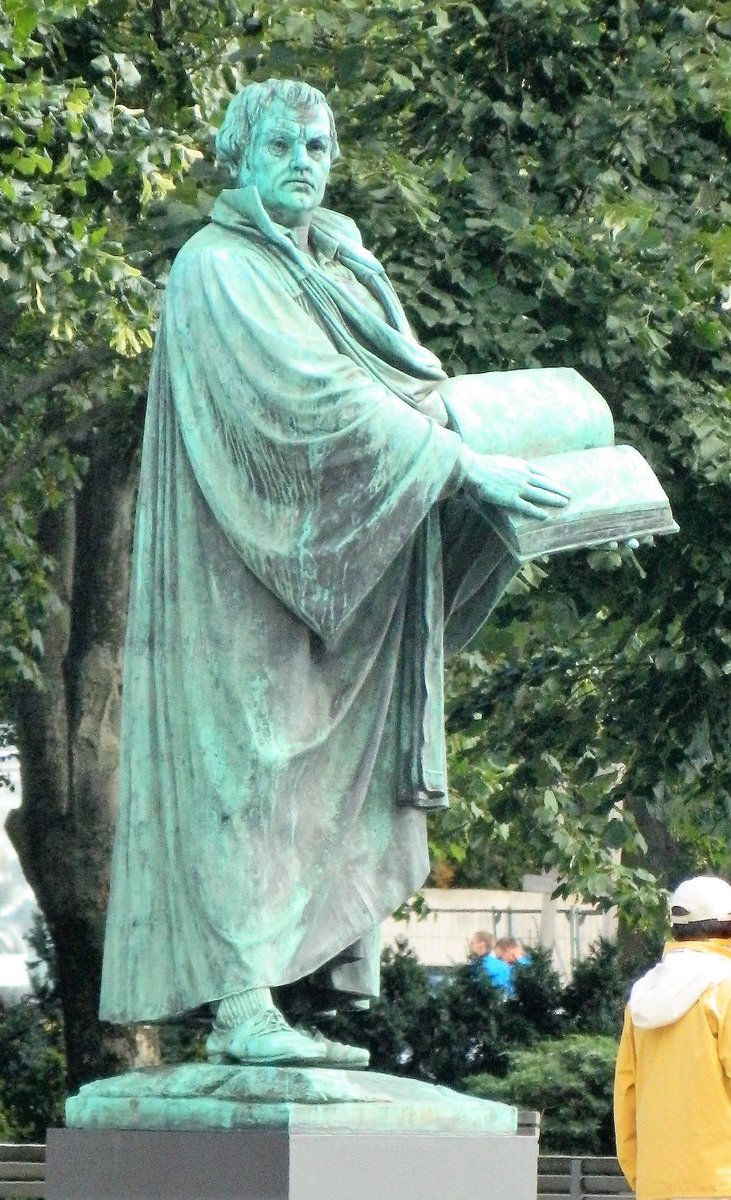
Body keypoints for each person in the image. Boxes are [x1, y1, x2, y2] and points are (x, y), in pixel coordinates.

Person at [99, 78, 570, 1067]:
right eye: (281, 144)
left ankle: (284, 988)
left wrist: (477, 441)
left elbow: (399, 384)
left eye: (319, 144)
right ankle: (237, 1002)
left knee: (306, 785)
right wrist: (455, 461)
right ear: (240, 155)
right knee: (247, 772)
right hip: (240, 580)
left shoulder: (343, 267)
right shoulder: (214, 269)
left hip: (337, 578)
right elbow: (307, 405)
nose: (305, 161)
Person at [614, 875, 731, 1199]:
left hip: (656, 1184)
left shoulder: (643, 995)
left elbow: (626, 1095)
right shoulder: (724, 988)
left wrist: (642, 1177)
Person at [469, 931, 512, 995]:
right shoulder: (503, 966)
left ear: (482, 944)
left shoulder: (476, 966)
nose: (471, 946)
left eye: (472, 943)